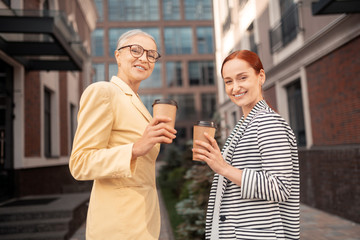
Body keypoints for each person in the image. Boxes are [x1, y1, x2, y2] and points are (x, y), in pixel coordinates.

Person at [69, 29, 177, 240]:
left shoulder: (138, 104)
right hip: (117, 227)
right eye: (135, 50)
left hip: (143, 222)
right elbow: (80, 163)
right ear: (118, 55)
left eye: (151, 54)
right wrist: (135, 149)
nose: (144, 58)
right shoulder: (103, 92)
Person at [192, 50, 300, 239]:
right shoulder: (246, 123)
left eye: (242, 78)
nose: (235, 87)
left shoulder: (267, 123)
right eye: (228, 81)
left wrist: (224, 168)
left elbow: (280, 187)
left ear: (261, 76)